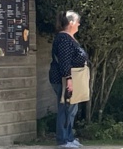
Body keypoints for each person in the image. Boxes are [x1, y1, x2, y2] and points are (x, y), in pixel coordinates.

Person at [49, 11, 87, 149]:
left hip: (71, 78)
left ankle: (69, 137)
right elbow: (64, 61)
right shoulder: (64, 39)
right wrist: (69, 80)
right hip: (63, 79)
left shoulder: (69, 38)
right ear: (71, 23)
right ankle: (63, 140)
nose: (79, 24)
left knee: (71, 109)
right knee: (65, 108)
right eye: (77, 21)